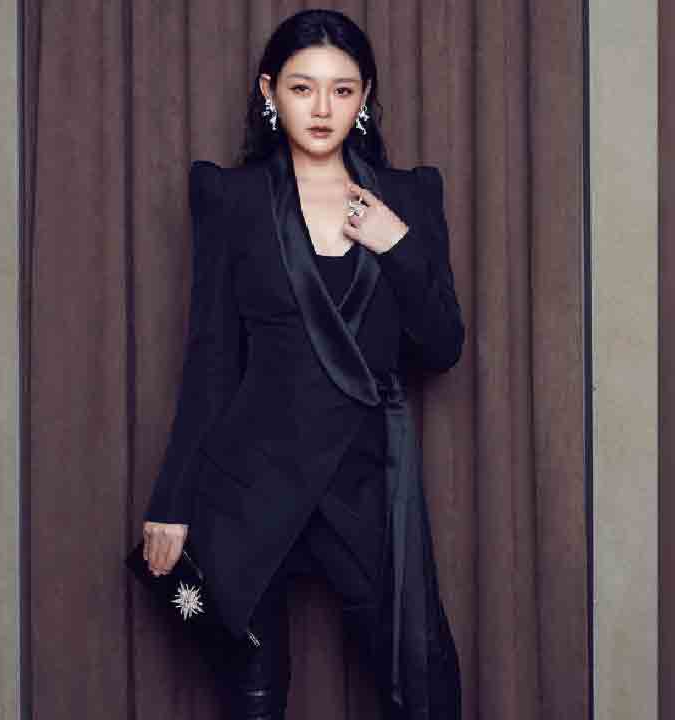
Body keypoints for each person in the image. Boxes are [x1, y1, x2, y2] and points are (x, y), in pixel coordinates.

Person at [140, 9, 463, 719]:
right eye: (301, 88)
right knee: (252, 700)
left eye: (342, 90)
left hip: (365, 481)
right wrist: (171, 502)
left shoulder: (410, 197)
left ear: (365, 96)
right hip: (251, 481)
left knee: (424, 686)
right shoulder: (231, 198)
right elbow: (209, 358)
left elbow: (443, 348)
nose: (321, 109)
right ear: (269, 91)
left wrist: (397, 244)